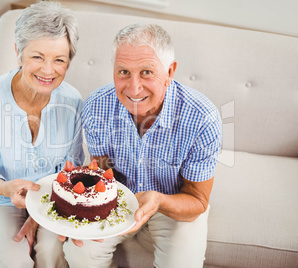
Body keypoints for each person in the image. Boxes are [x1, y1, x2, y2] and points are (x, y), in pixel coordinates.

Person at [61, 24, 222, 267]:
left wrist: (158, 201)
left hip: (174, 203)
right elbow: (103, 172)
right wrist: (83, 212)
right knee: (79, 253)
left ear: (169, 72)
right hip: (118, 198)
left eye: (147, 72)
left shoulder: (202, 117)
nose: (134, 88)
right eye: (123, 71)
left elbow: (197, 200)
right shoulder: (96, 106)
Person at [0, 2, 84, 267]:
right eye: (37, 57)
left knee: (51, 253)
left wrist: (39, 214)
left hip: (52, 196)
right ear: (18, 52)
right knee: (14, 262)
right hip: (3, 198)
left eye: (59, 60)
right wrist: (6, 187)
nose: (48, 70)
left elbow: (71, 168)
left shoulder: (73, 101)